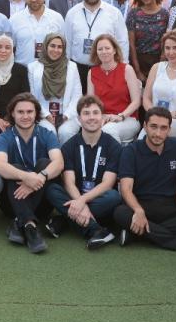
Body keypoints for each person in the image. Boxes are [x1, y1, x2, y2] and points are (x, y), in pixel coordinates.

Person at [112, 107, 176, 254]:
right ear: (145, 126)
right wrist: (138, 210)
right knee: (119, 213)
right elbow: (126, 189)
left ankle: (138, 233)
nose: (158, 133)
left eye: (163, 128)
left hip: (171, 206)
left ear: (169, 130)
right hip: (142, 204)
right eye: (153, 127)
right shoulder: (131, 151)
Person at [45, 95, 120, 248]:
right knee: (52, 189)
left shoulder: (113, 146)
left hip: (99, 199)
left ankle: (65, 219)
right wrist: (81, 203)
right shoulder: (69, 146)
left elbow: (108, 184)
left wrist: (81, 202)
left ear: (102, 117)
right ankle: (96, 229)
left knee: (114, 196)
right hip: (75, 196)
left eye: (95, 113)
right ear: (79, 119)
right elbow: (69, 183)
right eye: (86, 113)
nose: (91, 117)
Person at [0, 94, 63, 253]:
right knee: (14, 168)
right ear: (12, 113)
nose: (25, 116)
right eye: (20, 112)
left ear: (36, 113)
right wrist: (26, 177)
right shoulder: (4, 137)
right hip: (10, 203)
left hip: (42, 205)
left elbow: (59, 163)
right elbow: (0, 165)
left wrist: (39, 177)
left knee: (45, 164)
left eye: (29, 111)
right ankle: (30, 226)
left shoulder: (47, 134)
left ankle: (21, 222)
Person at [65, 0, 130, 88]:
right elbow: (67, 42)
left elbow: (122, 42)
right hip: (77, 70)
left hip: (105, 69)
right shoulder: (72, 13)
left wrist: (122, 69)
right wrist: (66, 68)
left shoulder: (114, 13)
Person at [86, 34, 142, 143]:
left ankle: (116, 155)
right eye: (100, 49)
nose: (104, 52)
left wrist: (121, 116)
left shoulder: (127, 69)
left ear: (114, 50)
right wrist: (100, 116)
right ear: (96, 52)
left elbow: (136, 101)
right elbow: (91, 103)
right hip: (102, 118)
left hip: (127, 118)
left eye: (107, 48)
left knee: (108, 130)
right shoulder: (92, 72)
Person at [27, 33, 82, 139]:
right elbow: (32, 97)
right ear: (45, 46)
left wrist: (66, 116)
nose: (56, 50)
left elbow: (77, 96)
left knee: (65, 132)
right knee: (49, 132)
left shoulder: (72, 67)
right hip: (42, 114)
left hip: (67, 114)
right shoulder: (33, 67)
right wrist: (46, 115)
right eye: (52, 46)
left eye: (60, 47)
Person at [125, 0, 170, 84]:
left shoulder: (165, 14)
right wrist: (137, 71)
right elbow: (131, 43)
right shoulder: (133, 13)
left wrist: (161, 65)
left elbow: (167, 41)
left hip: (159, 61)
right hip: (138, 60)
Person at [10, 0, 65, 66]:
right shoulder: (14, 20)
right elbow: (9, 47)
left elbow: (64, 46)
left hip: (49, 69)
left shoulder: (57, 18)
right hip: (23, 69)